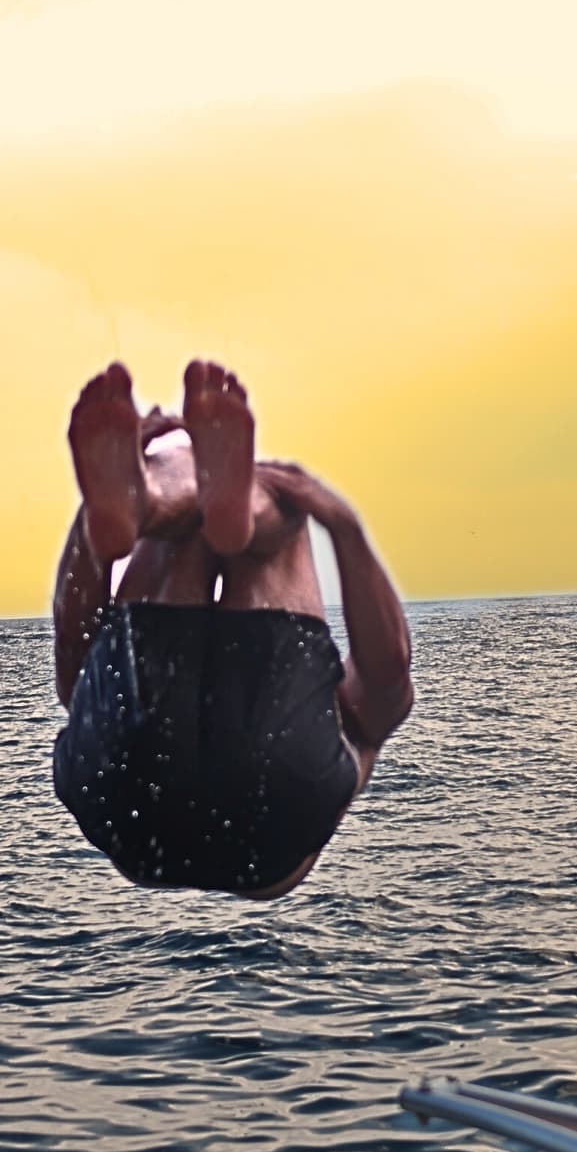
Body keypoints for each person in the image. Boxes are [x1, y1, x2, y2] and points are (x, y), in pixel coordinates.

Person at [52, 360, 414, 899]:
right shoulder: (343, 727)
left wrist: (92, 523)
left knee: (170, 553)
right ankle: (237, 500)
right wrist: (338, 519)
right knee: (282, 511)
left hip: (128, 798)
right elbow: (389, 680)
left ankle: (150, 498)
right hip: (272, 817)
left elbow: (74, 639)